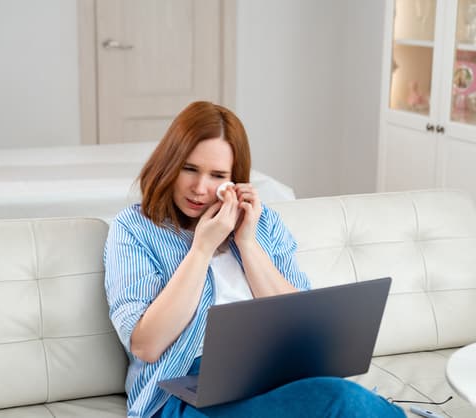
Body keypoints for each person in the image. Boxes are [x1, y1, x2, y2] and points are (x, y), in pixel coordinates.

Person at [104, 101, 405, 418]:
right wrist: (201, 249)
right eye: (189, 168)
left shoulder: (264, 224)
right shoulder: (134, 228)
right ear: (169, 163)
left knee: (344, 400)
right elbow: (146, 346)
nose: (200, 188)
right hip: (184, 392)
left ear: (234, 180)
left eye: (217, 175)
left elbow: (303, 327)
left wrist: (246, 243)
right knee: (344, 402)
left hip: (271, 377)